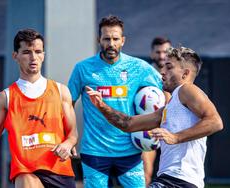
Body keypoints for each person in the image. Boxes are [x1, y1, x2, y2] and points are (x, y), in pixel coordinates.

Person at [86, 46, 223, 188]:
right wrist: (102, 106)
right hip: (170, 179)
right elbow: (128, 124)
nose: (162, 72)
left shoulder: (187, 89)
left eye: (169, 67)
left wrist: (176, 137)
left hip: (179, 181)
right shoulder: (169, 107)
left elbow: (215, 121)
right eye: (163, 67)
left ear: (185, 73)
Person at [0, 29, 78, 188]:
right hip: (26, 171)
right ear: (15, 56)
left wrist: (68, 145)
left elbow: (72, 134)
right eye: (27, 52)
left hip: (60, 171)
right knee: (25, 179)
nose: (33, 57)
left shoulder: (61, 91)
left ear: (43, 55)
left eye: (38, 51)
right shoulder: (5, 98)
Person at [68, 15, 162, 188]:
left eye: (115, 39)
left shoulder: (139, 67)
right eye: (106, 39)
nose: (111, 44)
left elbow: (166, 87)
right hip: (94, 151)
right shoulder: (82, 68)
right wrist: (69, 137)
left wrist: (160, 121)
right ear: (99, 40)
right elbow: (67, 105)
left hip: (129, 150)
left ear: (123, 40)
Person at [142, 36, 172, 186]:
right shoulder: (144, 75)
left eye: (165, 52)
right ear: (152, 54)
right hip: (148, 131)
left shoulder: (177, 75)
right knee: (145, 176)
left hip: (171, 131)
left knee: (173, 177)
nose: (161, 56)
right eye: (158, 52)